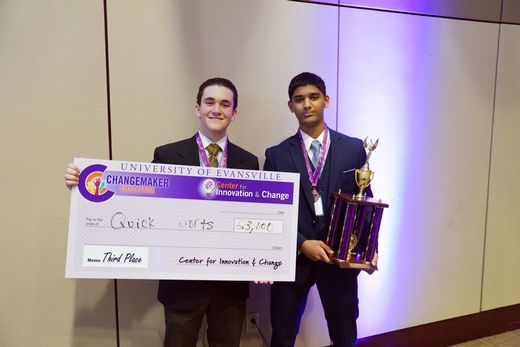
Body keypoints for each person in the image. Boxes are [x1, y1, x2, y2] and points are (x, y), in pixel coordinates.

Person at [64, 77, 259, 347]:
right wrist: (85, 183)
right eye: (210, 102)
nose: (217, 109)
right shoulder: (168, 155)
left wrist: (264, 257)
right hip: (182, 286)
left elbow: (255, 216)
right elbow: (139, 201)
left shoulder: (248, 161)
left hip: (230, 286)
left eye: (225, 104)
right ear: (197, 108)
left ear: (234, 113)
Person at [264, 72, 377, 347]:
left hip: (339, 260)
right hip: (294, 261)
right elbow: (270, 213)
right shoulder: (276, 155)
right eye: (299, 99)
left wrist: (369, 247)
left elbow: (365, 203)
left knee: (344, 335)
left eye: (314, 97)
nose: (307, 104)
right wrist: (302, 244)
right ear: (290, 105)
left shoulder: (353, 149)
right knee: (282, 335)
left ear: (325, 100)